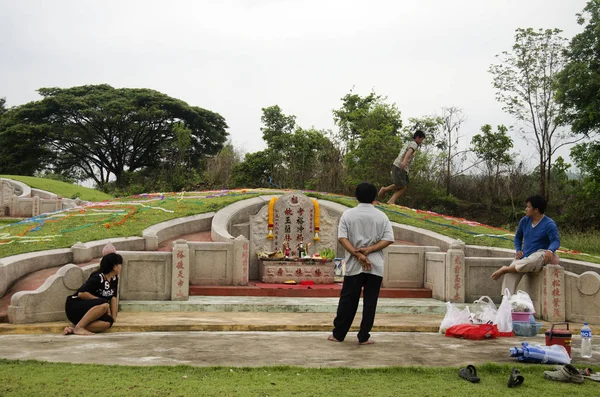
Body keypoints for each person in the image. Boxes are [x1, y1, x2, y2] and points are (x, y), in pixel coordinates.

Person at [328, 182, 395, 345]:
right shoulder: (382, 216)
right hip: (375, 265)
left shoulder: (348, 215)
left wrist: (357, 254)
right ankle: (363, 336)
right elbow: (388, 239)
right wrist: (369, 250)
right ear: (374, 198)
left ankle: (338, 334)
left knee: (348, 299)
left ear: (356, 196)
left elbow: (342, 238)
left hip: (353, 265)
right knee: (370, 301)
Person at [491, 195, 560, 295]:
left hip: (541, 253)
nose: (526, 209)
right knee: (510, 275)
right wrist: (518, 249)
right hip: (525, 255)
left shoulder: (549, 224)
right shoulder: (524, 220)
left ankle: (505, 268)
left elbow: (556, 241)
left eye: (528, 207)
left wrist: (550, 250)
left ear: (536, 210)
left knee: (533, 260)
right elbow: (518, 237)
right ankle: (506, 303)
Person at [63, 252, 123, 335]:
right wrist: (102, 302)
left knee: (108, 322)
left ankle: (74, 328)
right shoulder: (98, 277)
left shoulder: (114, 279)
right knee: (104, 303)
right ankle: (79, 328)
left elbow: (113, 297)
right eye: (120, 264)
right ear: (114, 266)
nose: (121, 266)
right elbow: (81, 294)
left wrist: (113, 318)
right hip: (75, 306)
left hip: (92, 311)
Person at [378, 130, 426, 205]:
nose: (421, 141)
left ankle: (390, 199)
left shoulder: (409, 143)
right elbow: (409, 152)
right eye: (421, 139)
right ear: (417, 137)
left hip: (401, 167)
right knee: (401, 186)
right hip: (400, 166)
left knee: (403, 186)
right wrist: (404, 161)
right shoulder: (414, 144)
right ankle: (386, 192)